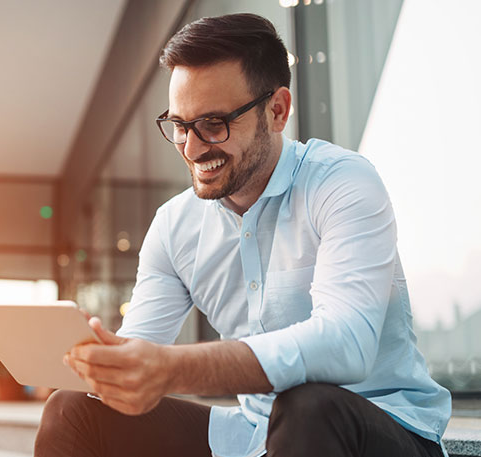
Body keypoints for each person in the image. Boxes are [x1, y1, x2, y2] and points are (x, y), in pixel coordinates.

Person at [34, 12, 451, 457]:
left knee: (310, 405)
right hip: (256, 433)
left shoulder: (341, 183)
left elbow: (346, 345)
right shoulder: (175, 226)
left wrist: (173, 369)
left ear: (277, 110)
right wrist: (104, 364)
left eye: (213, 124)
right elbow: (142, 353)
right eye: (180, 126)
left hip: (383, 429)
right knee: (72, 409)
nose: (193, 149)